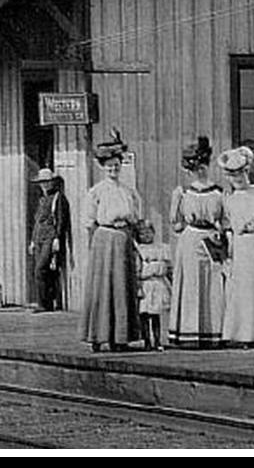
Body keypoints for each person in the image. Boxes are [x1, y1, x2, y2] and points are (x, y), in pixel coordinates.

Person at [78, 131, 143, 350]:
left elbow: (136, 218)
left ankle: (121, 337)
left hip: (123, 239)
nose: (113, 170)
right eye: (109, 167)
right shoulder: (96, 191)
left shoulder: (128, 191)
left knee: (122, 288)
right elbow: (89, 221)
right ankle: (98, 336)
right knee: (102, 288)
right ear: (102, 168)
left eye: (116, 166)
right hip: (103, 240)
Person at [168, 136, 227, 348]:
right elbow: (175, 223)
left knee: (213, 284)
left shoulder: (219, 192)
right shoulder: (183, 193)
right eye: (195, 166)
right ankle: (189, 332)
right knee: (192, 284)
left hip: (212, 239)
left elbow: (225, 220)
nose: (200, 170)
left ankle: (212, 332)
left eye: (203, 165)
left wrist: (221, 235)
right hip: (191, 239)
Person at [219, 146, 254, 347]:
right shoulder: (229, 199)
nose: (238, 178)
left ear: (247, 171)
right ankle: (243, 334)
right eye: (233, 175)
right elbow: (227, 226)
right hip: (242, 245)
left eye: (241, 173)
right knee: (244, 288)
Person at [28, 167, 73, 313]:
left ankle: (45, 303)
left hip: (50, 236)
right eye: (42, 182)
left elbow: (61, 220)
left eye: (47, 182)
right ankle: (46, 302)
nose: (44, 185)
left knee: (41, 269)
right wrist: (33, 241)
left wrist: (57, 238)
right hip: (39, 237)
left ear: (53, 182)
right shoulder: (42, 199)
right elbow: (37, 222)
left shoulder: (58, 198)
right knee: (42, 270)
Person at [134, 222, 171, 352]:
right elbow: (137, 270)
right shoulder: (139, 250)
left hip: (158, 283)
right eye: (142, 233)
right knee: (144, 315)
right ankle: (146, 340)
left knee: (156, 315)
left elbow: (169, 267)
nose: (146, 236)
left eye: (149, 232)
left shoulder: (161, 248)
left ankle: (157, 340)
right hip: (146, 284)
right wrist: (138, 286)